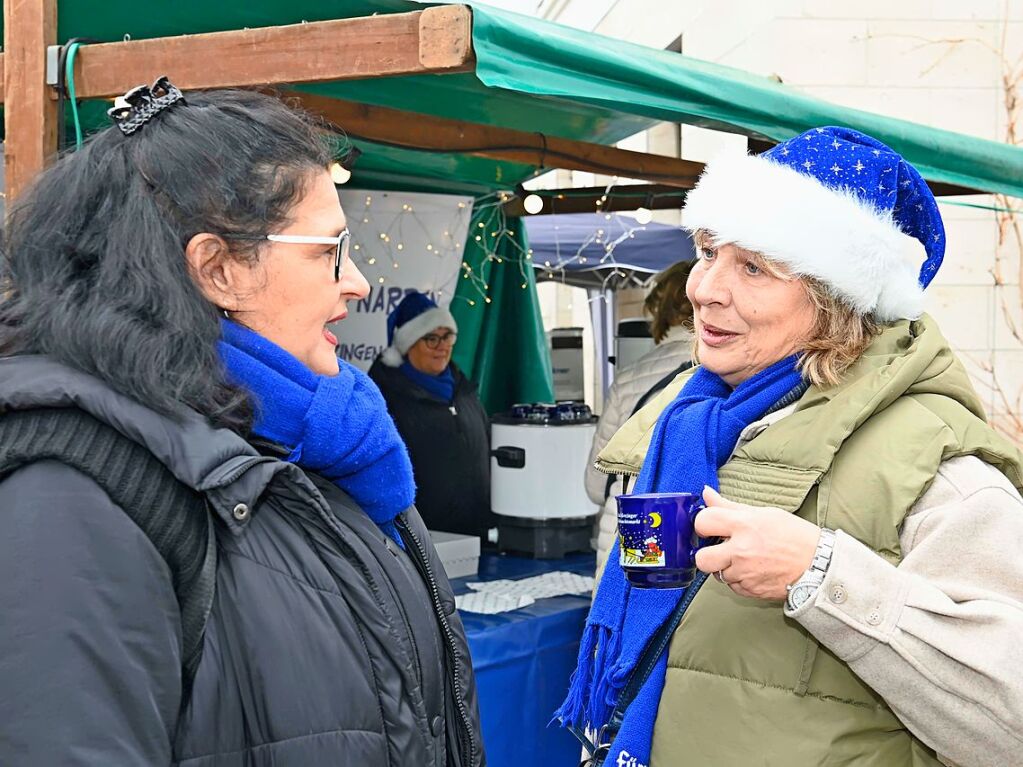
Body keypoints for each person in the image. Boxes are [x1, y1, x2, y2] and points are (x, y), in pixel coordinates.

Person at [0, 80, 483, 766]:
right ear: (218, 268)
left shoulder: (316, 438)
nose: (358, 281)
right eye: (330, 252)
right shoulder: (70, 493)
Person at [557, 126, 1023, 767]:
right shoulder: (681, 425)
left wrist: (824, 575)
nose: (704, 288)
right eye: (708, 250)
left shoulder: (939, 470)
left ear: (838, 305)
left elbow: (1009, 725)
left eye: (754, 267)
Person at [584, 260, 695, 576]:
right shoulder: (728, 375)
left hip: (622, 536)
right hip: (686, 544)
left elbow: (596, 484)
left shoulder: (629, 379)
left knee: (621, 620)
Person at [369, 291, 491, 539]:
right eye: (431, 339)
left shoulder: (464, 391)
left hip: (478, 537)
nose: (442, 347)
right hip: (422, 541)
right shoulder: (387, 399)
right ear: (407, 345)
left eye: (447, 337)